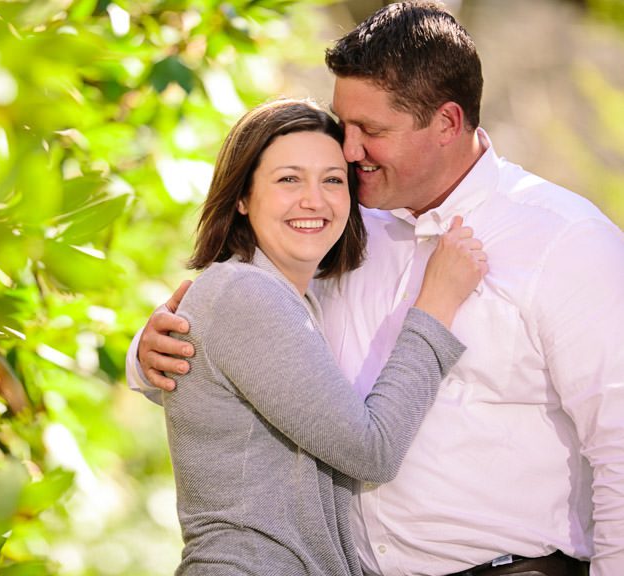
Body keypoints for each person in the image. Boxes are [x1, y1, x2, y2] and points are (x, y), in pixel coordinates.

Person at [127, 2, 624, 576]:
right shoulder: (346, 227)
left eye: (373, 131)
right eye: (345, 126)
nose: (351, 150)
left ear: (446, 123)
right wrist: (150, 353)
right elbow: (258, 333)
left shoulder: (566, 241)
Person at [161, 97, 485, 576]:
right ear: (243, 197)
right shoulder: (245, 293)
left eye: (332, 179)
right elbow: (371, 452)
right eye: (288, 179)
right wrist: (436, 305)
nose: (314, 199)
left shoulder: (293, 298)